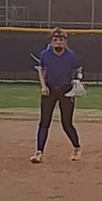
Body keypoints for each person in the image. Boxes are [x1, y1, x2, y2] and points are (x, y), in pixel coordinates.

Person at [30, 28, 82, 163]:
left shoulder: (71, 56)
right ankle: (39, 152)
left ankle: (77, 147)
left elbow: (78, 69)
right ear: (51, 42)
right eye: (55, 40)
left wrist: (77, 82)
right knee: (44, 122)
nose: (58, 43)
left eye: (61, 40)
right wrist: (43, 86)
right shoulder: (45, 55)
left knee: (67, 123)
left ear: (65, 42)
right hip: (50, 90)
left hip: (66, 90)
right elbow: (41, 69)